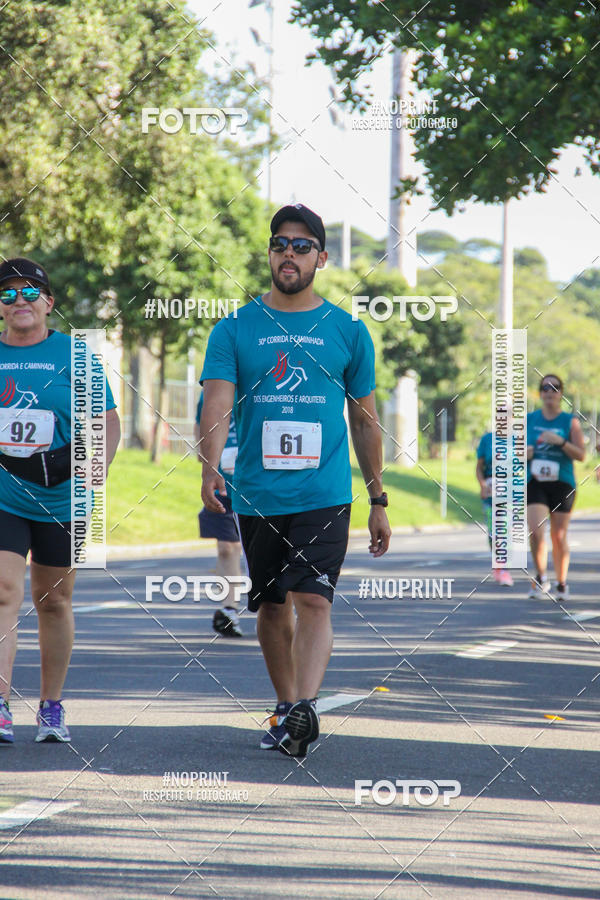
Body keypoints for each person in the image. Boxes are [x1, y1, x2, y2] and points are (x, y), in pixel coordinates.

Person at [199, 203, 391, 757]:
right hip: (259, 491)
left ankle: (305, 707)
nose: (290, 253)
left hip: (324, 493)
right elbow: (218, 401)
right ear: (269, 253)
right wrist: (210, 466)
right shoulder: (235, 327)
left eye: (302, 246)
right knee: (271, 604)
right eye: (280, 243)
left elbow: (364, 419)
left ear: (322, 258)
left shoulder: (348, 331)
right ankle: (286, 705)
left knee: (314, 601)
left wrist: (378, 497)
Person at [0, 258, 120, 744]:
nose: (19, 302)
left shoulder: (77, 355)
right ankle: (1, 703)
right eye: (7, 294)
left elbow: (107, 422)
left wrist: (93, 478)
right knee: (4, 591)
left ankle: (51, 706)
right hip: (5, 493)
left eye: (30, 293)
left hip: (62, 497)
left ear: (49, 303)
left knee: (54, 601)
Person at [526, 374, 584, 601]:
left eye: (555, 387)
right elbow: (511, 450)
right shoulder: (529, 419)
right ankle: (541, 578)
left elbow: (580, 455)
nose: (550, 391)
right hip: (536, 481)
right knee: (536, 531)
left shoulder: (570, 421)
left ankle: (561, 583)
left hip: (562, 482)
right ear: (540, 392)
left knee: (558, 535)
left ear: (561, 393)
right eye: (545, 387)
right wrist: (523, 453)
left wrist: (560, 442)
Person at [194, 390, 243, 638]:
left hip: (256, 482)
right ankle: (229, 610)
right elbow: (200, 425)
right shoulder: (211, 390)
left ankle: (282, 606)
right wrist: (206, 464)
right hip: (223, 482)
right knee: (227, 548)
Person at [476, 429, 514, 586]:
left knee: (504, 528)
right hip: (491, 492)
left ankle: (503, 568)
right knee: (493, 531)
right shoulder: (487, 439)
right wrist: (483, 485)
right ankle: (498, 563)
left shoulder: (517, 439)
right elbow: (479, 467)